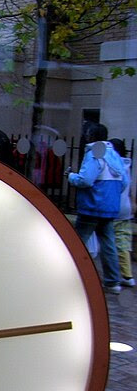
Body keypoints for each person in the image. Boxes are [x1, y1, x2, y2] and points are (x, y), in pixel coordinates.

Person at [67, 123, 128, 294]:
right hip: (109, 207)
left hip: (92, 205)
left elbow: (86, 180)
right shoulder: (114, 155)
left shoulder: (94, 153)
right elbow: (123, 182)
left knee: (77, 242)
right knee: (108, 245)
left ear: (92, 136)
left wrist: (71, 176)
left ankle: (70, 276)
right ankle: (112, 282)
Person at [110, 138, 135, 287]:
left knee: (108, 243)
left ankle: (112, 277)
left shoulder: (111, 164)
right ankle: (127, 275)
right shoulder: (127, 165)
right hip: (126, 209)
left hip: (113, 209)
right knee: (123, 243)